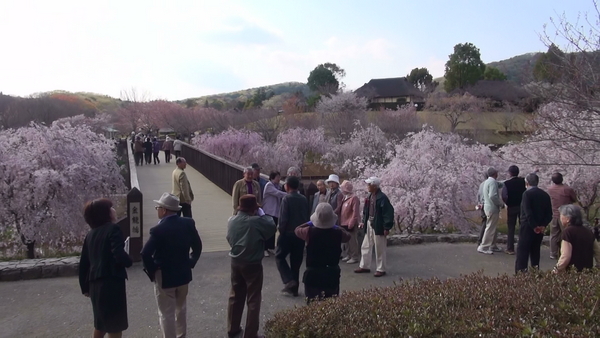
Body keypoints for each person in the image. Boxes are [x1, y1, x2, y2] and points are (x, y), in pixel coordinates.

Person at [141, 193, 202, 338]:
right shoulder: (188, 223)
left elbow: (145, 253)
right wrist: (191, 261)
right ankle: (181, 335)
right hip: (183, 273)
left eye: (158, 207)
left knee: (166, 313)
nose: (157, 210)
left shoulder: (158, 230)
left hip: (164, 275)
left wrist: (152, 271)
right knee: (181, 309)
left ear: (164, 210)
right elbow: (198, 246)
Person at [79, 198, 132, 338]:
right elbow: (118, 253)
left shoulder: (91, 234)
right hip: (111, 283)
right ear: (105, 213)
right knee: (115, 326)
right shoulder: (113, 229)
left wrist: (84, 287)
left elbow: (84, 262)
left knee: (101, 324)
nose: (114, 210)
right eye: (111, 208)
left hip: (95, 285)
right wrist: (128, 261)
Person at [226, 195, 276, 338]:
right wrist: (262, 213)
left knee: (235, 295)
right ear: (254, 208)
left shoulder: (231, 221)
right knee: (253, 298)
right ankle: (250, 333)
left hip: (235, 261)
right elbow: (271, 226)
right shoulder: (256, 222)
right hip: (253, 262)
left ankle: (232, 329)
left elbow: (229, 238)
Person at [295, 203, 350, 303]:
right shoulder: (338, 233)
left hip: (313, 272)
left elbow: (297, 230)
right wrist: (335, 226)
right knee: (331, 303)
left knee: (312, 304)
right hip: (331, 272)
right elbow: (348, 236)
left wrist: (309, 223)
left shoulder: (309, 231)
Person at [276, 176, 310, 296]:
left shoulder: (287, 199)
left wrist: (281, 231)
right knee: (296, 261)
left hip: (288, 233)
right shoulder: (303, 199)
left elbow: (283, 218)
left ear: (287, 186)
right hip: (300, 234)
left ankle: (289, 281)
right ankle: (294, 288)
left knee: (279, 256)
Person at [354, 177, 394, 277]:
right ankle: (364, 265)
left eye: (369, 184)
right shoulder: (369, 196)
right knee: (366, 245)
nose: (367, 186)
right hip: (370, 223)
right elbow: (366, 210)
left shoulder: (382, 198)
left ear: (374, 186)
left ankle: (381, 268)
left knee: (379, 247)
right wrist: (364, 221)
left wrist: (387, 227)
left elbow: (388, 213)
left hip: (378, 224)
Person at [515, 173, 553, 273]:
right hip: (540, 227)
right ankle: (535, 272)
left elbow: (528, 213)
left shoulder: (527, 194)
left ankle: (521, 273)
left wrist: (534, 226)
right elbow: (549, 214)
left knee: (523, 251)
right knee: (535, 251)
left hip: (527, 226)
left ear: (526, 183)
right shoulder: (545, 195)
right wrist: (542, 225)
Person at [554, 204, 600, 273]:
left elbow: (565, 256)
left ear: (568, 219)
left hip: (571, 273)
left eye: (561, 215)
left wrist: (556, 269)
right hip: (587, 273)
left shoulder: (567, 232)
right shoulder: (588, 231)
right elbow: (597, 252)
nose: (560, 218)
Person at [547, 172, 578, 259]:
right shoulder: (567, 189)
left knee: (553, 235)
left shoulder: (550, 189)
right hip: (565, 215)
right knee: (567, 234)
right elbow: (574, 198)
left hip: (554, 214)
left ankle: (553, 253)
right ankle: (567, 252)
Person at [478, 167, 504, 255]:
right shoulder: (492, 182)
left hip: (487, 207)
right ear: (495, 173)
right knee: (490, 228)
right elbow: (493, 196)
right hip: (492, 208)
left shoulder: (488, 181)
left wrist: (509, 181)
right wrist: (501, 204)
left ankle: (492, 245)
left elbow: (500, 184)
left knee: (492, 227)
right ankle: (484, 246)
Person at [501, 165, 526, 255]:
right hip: (522, 206)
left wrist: (507, 203)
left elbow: (504, 196)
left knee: (511, 228)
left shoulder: (507, 183)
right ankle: (522, 247)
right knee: (522, 226)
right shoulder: (523, 182)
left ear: (510, 173)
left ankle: (510, 248)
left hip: (511, 207)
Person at [261, 171, 287, 257]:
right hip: (268, 211)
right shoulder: (269, 185)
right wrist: (289, 194)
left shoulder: (278, 186)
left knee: (273, 229)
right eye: (277, 177)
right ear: (272, 178)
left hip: (275, 211)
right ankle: (264, 248)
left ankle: (270, 247)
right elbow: (278, 194)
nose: (279, 179)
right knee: (267, 230)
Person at [339, 181, 360, 264]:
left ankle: (355, 256)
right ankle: (349, 255)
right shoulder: (345, 198)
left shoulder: (354, 198)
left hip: (350, 222)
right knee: (346, 241)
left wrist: (352, 221)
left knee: (352, 241)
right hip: (343, 222)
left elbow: (355, 212)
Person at [476, 172, 488, 246]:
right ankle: (481, 241)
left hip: (481, 205)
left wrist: (479, 203)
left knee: (485, 222)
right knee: (487, 224)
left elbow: (478, 195)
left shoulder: (481, 184)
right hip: (486, 206)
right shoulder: (490, 184)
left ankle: (481, 240)